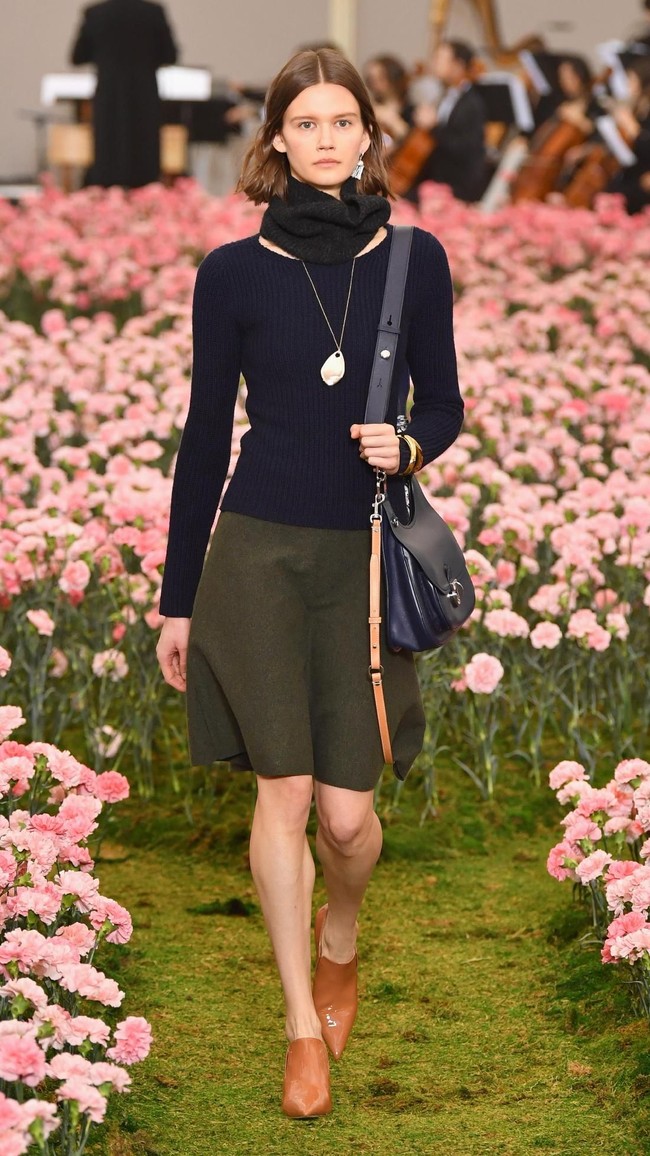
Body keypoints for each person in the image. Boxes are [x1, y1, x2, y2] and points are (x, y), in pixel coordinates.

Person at [156, 47, 463, 1118]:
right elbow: (204, 439)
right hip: (252, 552)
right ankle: (299, 1024)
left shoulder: (411, 261)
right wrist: (176, 595)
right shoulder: (230, 273)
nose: (327, 138)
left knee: (344, 820)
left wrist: (408, 445)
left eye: (344, 121)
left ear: (367, 137)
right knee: (279, 795)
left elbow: (448, 405)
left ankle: (342, 937)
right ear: (276, 140)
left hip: (361, 559)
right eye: (307, 122)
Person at [70, 0, 178, 188]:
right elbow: (170, 55)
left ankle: (109, 201)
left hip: (109, 94)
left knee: (108, 149)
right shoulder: (153, 12)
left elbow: (78, 56)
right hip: (144, 95)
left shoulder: (95, 13)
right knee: (144, 150)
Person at [406, 40, 487, 203]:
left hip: (456, 185)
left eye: (439, 59)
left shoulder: (472, 103)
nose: (433, 63)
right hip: (436, 179)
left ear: (458, 65)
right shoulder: (445, 95)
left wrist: (434, 127)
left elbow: (465, 149)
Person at [607, 55, 650, 213]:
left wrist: (633, 128)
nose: (628, 85)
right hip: (631, 172)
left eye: (632, 80)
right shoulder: (639, 110)